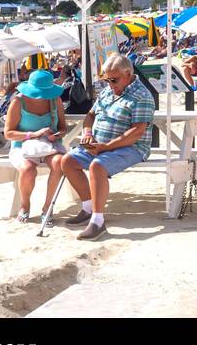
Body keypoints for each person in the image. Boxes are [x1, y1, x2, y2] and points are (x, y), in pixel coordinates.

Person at [60, 54, 155, 240]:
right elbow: (90, 115)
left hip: (132, 147)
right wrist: (87, 134)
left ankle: (98, 221)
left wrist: (106, 147)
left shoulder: (142, 95)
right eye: (107, 79)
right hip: (101, 145)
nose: (110, 84)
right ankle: (88, 208)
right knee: (68, 161)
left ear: (128, 74)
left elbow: (136, 132)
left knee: (98, 165)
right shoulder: (107, 91)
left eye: (114, 79)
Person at [4, 69, 68, 224]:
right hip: (21, 146)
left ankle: (47, 208)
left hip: (48, 145)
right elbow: (8, 134)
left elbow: (63, 128)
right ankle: (25, 206)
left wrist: (56, 135)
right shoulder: (18, 102)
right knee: (27, 169)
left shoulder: (55, 100)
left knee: (59, 163)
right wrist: (33, 134)